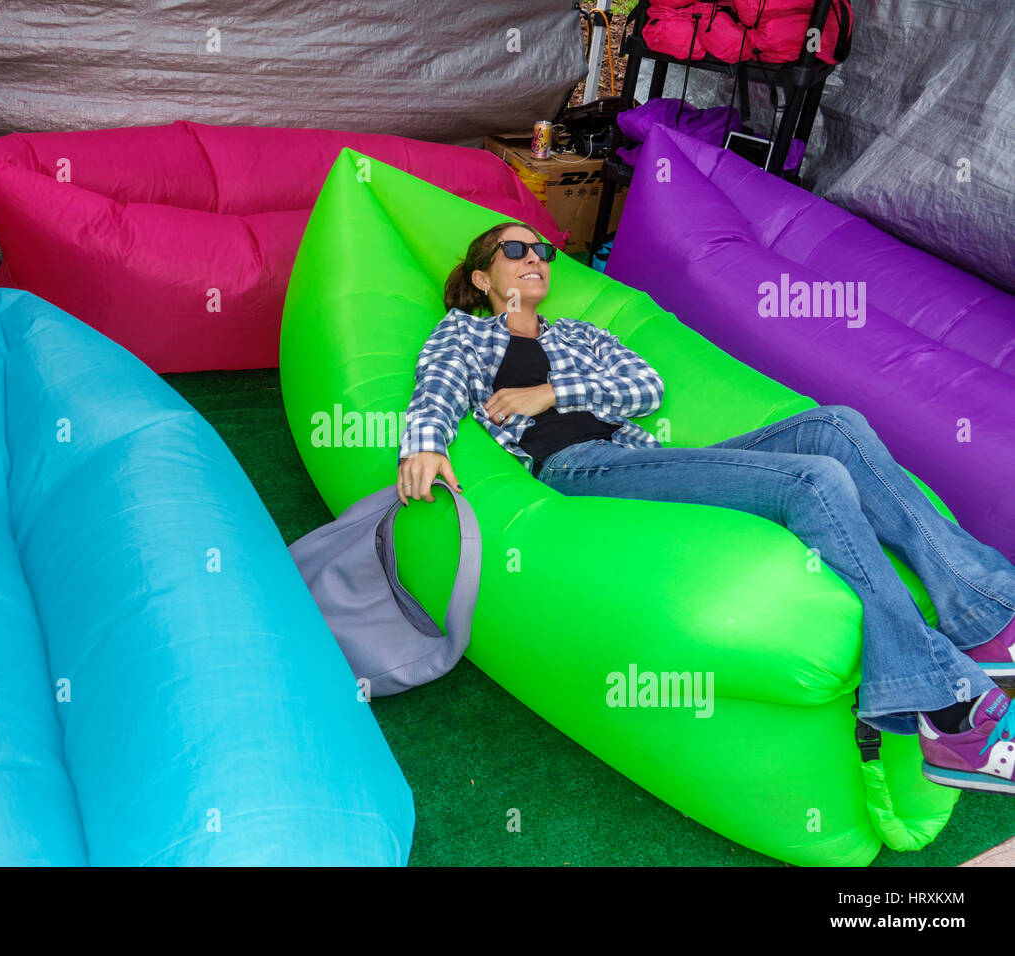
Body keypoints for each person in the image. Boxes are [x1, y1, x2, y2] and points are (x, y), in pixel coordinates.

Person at [396, 220, 1015, 793]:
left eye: (543, 251)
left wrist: (551, 390)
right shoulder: (467, 333)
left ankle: (982, 608)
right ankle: (946, 708)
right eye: (515, 250)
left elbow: (646, 386)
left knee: (836, 426)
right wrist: (422, 448)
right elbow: (436, 389)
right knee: (815, 482)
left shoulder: (582, 335)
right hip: (581, 469)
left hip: (636, 455)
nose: (534, 258)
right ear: (483, 278)